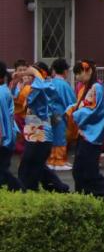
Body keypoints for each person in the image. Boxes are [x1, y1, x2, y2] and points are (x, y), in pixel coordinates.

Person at [17, 64, 69, 193]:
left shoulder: (45, 87)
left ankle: (29, 192)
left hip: (40, 134)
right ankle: (59, 188)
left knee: (28, 168)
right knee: (36, 167)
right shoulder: (34, 88)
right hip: (35, 134)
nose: (26, 77)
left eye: (29, 75)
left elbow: (42, 89)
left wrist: (36, 74)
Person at [70, 61, 104, 206]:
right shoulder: (90, 87)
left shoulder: (96, 87)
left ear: (88, 71)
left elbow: (90, 109)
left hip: (91, 134)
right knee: (81, 168)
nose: (77, 76)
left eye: (79, 72)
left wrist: (74, 113)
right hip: (86, 133)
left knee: (87, 169)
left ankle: (99, 196)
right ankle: (87, 197)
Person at [48, 58, 76, 170]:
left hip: (50, 113)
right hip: (60, 113)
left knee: (52, 136)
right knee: (60, 136)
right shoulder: (64, 84)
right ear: (65, 71)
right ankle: (59, 161)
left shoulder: (50, 82)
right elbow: (71, 101)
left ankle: (52, 160)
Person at [0, 62, 20, 190]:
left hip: (3, 138)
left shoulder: (1, 92)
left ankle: (19, 188)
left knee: (2, 173)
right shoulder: (5, 90)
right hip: (8, 136)